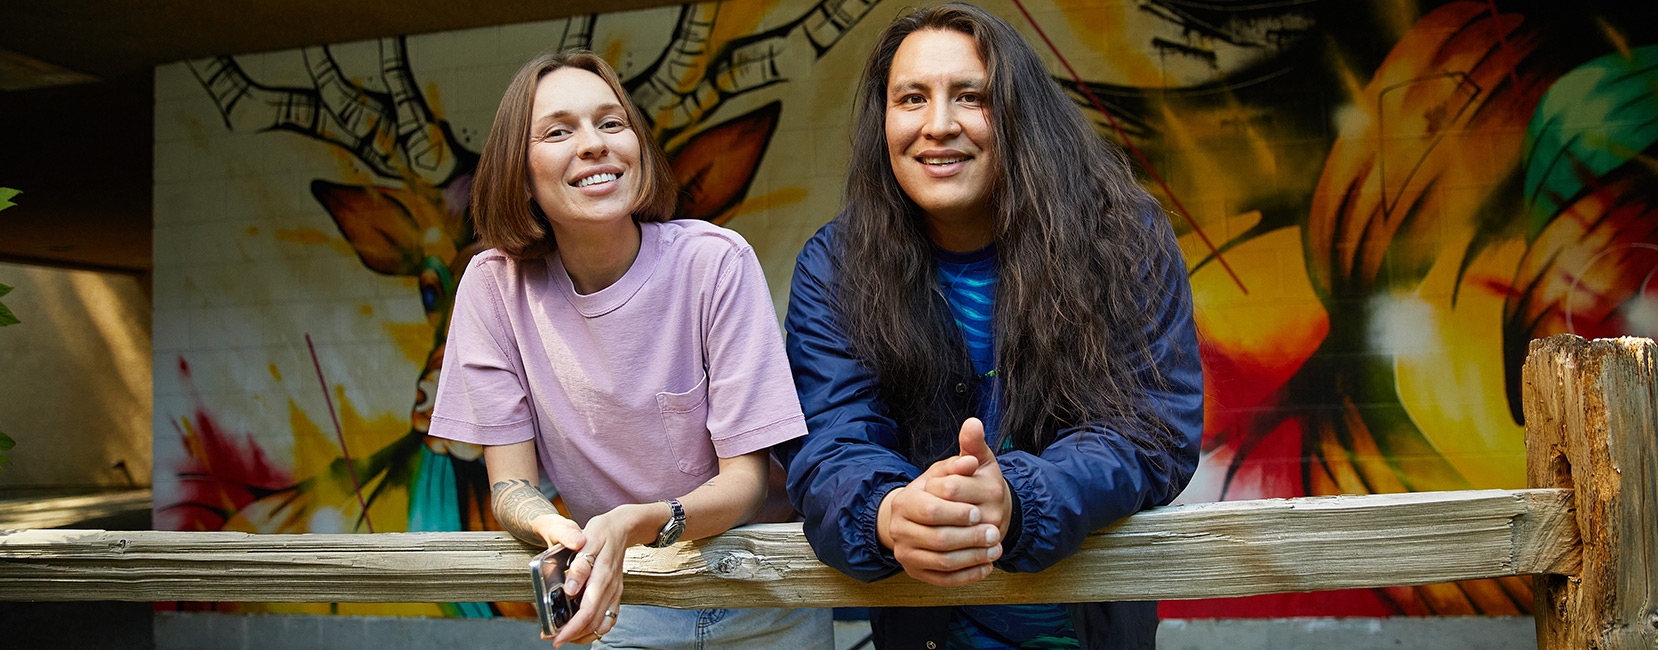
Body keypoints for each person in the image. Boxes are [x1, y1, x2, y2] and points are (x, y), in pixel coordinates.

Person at [780, 3, 1203, 648]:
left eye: (970, 96)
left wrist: (1018, 499)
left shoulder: (1121, 239)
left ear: (1016, 112)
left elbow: (1151, 432)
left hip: (1089, 628)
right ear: (882, 121)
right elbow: (831, 441)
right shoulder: (836, 268)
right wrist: (887, 513)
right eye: (912, 98)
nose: (937, 125)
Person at [429, 49, 832, 649]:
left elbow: (746, 482)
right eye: (559, 132)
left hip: (762, 596)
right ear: (520, 173)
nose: (593, 144)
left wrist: (635, 523)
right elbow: (509, 485)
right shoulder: (494, 288)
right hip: (624, 604)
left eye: (611, 123)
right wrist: (553, 527)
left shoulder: (716, 263)